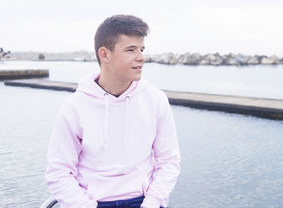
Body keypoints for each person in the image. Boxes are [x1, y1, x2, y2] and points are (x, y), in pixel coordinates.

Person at [45, 15, 181, 208]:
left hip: (143, 201)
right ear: (104, 54)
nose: (141, 57)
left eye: (141, 49)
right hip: (92, 203)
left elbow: (169, 161)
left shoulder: (155, 99)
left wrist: (152, 203)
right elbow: (58, 171)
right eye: (131, 50)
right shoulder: (74, 107)